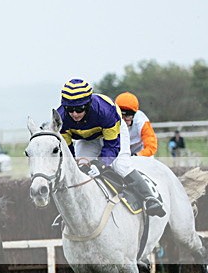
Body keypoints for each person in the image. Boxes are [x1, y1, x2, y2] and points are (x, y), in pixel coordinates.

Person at [57, 78, 165, 217]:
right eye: (70, 109)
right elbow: (68, 150)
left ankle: (150, 198)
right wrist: (78, 164)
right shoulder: (61, 118)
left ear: (88, 104)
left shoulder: (106, 112)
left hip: (114, 134)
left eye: (79, 109)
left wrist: (101, 164)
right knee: (80, 169)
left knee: (120, 166)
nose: (75, 114)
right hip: (88, 139)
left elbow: (111, 146)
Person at [115, 92, 158, 157]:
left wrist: (137, 155)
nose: (123, 120)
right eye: (121, 116)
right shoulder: (111, 120)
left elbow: (151, 147)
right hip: (120, 150)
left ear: (134, 114)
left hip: (139, 151)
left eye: (127, 116)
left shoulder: (142, 121)